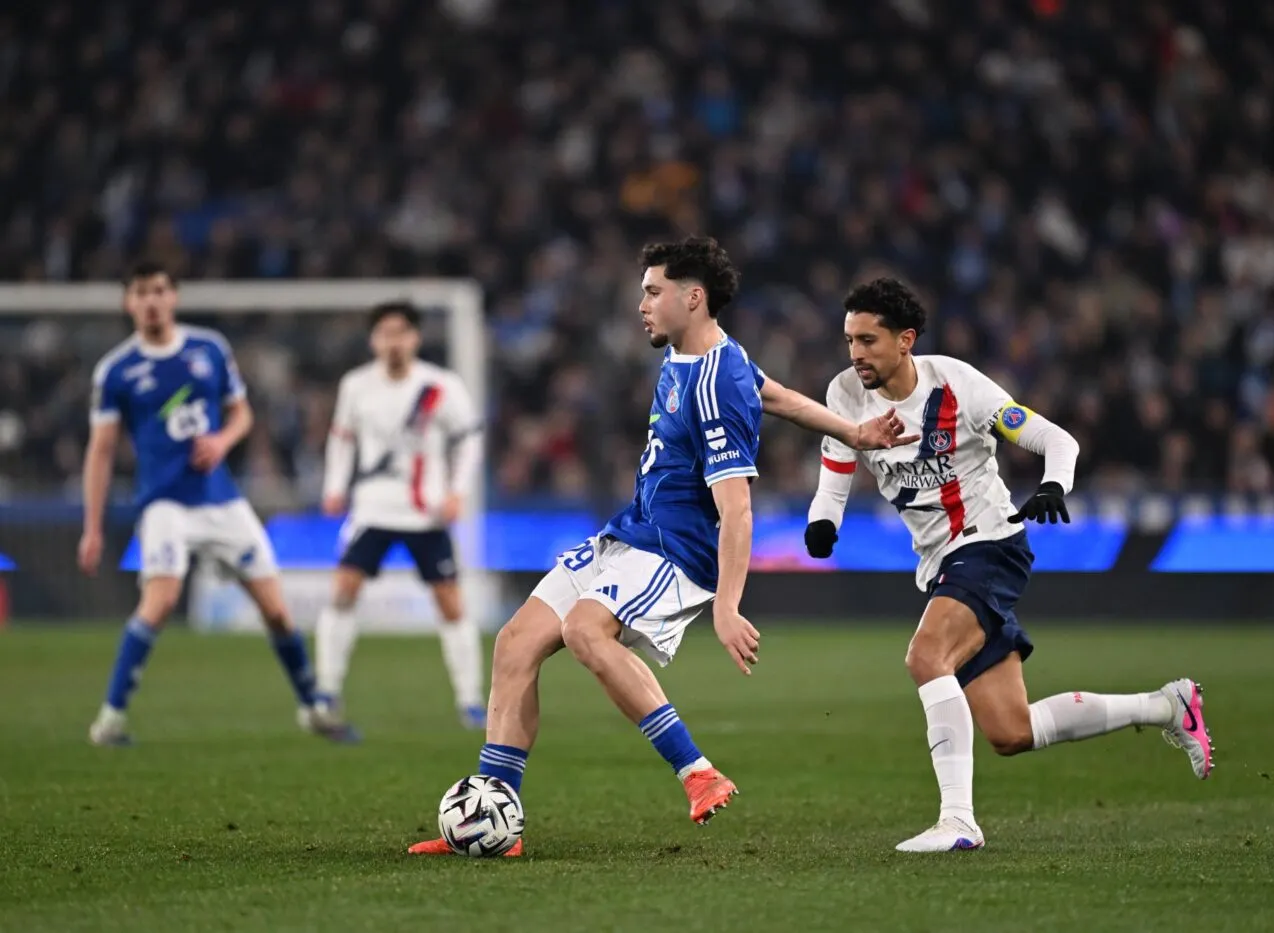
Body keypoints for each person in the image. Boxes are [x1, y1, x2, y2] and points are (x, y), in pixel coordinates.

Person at [410, 237, 914, 856]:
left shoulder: (713, 386)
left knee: (586, 632)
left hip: (675, 550)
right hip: (631, 530)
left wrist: (728, 606)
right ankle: (494, 815)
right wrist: (854, 431)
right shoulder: (703, 358)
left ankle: (697, 772)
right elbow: (772, 393)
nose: (642, 304)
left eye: (653, 292)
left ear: (692, 297)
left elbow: (737, 509)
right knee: (515, 643)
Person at [803, 277, 1213, 853]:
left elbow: (1057, 440)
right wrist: (825, 522)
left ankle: (959, 821)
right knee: (1011, 730)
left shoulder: (958, 386)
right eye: (849, 340)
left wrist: (1053, 485)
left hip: (989, 544)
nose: (855, 353)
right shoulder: (845, 393)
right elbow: (836, 466)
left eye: (868, 340)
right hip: (940, 563)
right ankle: (1169, 705)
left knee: (926, 657)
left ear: (905, 341)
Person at [81, 260, 341, 745]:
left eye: (159, 290)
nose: (152, 300)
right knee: (159, 603)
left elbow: (241, 413)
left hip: (221, 500)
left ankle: (313, 709)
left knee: (278, 612)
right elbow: (99, 451)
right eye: (141, 292)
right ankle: (109, 719)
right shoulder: (116, 370)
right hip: (164, 504)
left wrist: (222, 442)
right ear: (128, 302)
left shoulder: (209, 349)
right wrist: (92, 527)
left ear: (174, 296)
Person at [316, 301, 485, 739]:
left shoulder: (440, 385)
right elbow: (342, 439)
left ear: (415, 337)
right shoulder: (356, 386)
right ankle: (327, 691)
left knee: (449, 601)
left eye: (401, 332)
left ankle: (470, 700)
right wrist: (334, 486)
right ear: (374, 340)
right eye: (385, 333)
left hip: (425, 511)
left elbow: (469, 441)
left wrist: (457, 492)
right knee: (343, 589)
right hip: (371, 507)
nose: (393, 341)